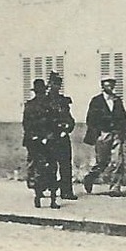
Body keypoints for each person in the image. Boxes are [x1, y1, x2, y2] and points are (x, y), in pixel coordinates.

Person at [82, 76, 126, 194]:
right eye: (107, 85)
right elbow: (90, 119)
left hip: (116, 134)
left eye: (112, 85)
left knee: (118, 161)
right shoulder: (96, 101)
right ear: (102, 86)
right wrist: (97, 133)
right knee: (102, 162)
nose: (110, 87)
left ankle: (115, 188)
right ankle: (89, 178)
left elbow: (123, 118)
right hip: (103, 134)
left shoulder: (117, 101)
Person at [22, 78, 61, 209]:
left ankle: (43, 198)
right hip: (43, 141)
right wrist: (42, 137)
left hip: (41, 141)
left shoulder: (35, 105)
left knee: (44, 169)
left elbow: (27, 125)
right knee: (47, 169)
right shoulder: (46, 104)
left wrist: (41, 137)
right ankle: (47, 199)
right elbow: (28, 124)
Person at [47, 72, 78, 200]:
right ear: (49, 85)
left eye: (58, 85)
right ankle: (50, 189)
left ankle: (66, 191)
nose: (56, 87)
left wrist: (67, 128)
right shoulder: (44, 101)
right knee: (50, 165)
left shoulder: (63, 101)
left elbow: (70, 119)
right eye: (54, 84)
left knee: (66, 165)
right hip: (50, 138)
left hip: (63, 137)